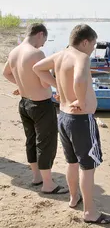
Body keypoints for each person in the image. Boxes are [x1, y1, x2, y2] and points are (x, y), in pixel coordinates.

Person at [33, 24, 110, 224]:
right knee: (88, 167)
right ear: (85, 41)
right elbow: (78, 79)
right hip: (80, 120)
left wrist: (58, 85)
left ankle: (73, 197)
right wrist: (81, 99)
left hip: (63, 116)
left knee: (72, 162)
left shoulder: (60, 55)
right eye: (93, 44)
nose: (93, 49)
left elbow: (37, 68)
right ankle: (90, 213)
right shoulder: (82, 57)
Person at [2, 23, 68, 194]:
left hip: (24, 104)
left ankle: (36, 177)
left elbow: (6, 73)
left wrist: (22, 83)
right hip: (41, 105)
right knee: (46, 142)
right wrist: (57, 82)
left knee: (31, 140)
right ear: (40, 34)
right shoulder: (36, 53)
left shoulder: (14, 52)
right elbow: (44, 82)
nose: (43, 45)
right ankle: (48, 184)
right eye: (44, 40)